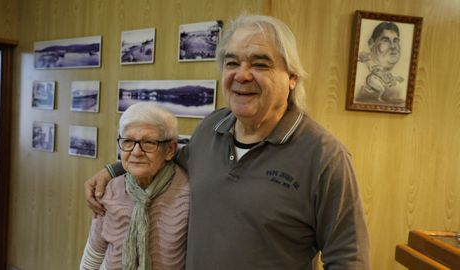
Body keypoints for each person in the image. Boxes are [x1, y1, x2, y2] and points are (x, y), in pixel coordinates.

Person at [85, 14, 370, 269]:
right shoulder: (210, 128)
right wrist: (112, 171)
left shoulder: (324, 156)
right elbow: (164, 157)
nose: (242, 75)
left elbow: (349, 259)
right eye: (232, 63)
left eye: (260, 64)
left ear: (292, 78)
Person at [80, 103, 189, 270]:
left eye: (149, 142)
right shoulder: (109, 189)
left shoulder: (188, 195)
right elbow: (93, 255)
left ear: (170, 149)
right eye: (128, 141)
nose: (136, 152)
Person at [357, 21, 404, 103]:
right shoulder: (359, 73)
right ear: (371, 43)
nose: (393, 46)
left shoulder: (397, 82)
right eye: (385, 40)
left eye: (396, 41)